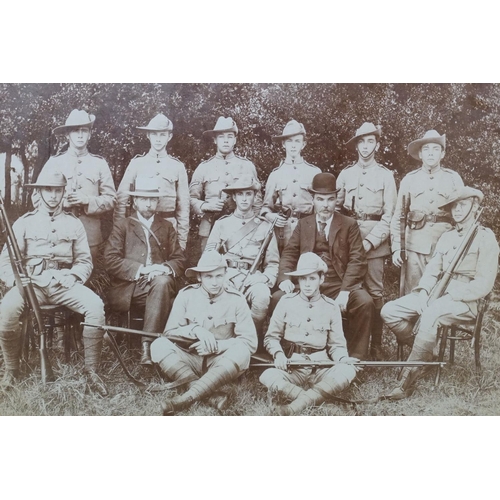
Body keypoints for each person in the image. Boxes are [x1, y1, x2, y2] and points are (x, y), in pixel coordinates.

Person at [381, 187, 499, 399]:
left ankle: (408, 377)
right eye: (454, 205)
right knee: (389, 310)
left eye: (463, 205)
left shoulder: (485, 237)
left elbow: (484, 283)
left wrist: (453, 295)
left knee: (431, 314)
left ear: (475, 207)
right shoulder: (447, 236)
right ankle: (428, 354)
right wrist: (424, 292)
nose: (458, 210)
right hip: (437, 293)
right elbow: (433, 270)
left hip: (465, 300)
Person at [0, 171, 108, 395]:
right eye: (47, 190)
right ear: (39, 192)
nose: (52, 195)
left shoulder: (74, 224)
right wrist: (16, 280)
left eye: (57, 190)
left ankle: (91, 372)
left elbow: (84, 260)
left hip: (63, 284)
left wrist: (74, 275)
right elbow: (5, 260)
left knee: (95, 306)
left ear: (63, 193)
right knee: (7, 308)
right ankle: (11, 371)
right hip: (32, 286)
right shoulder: (24, 223)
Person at [273, 172, 374, 360]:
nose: (325, 205)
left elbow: (357, 259)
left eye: (330, 199)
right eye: (320, 199)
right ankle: (285, 351)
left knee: (364, 302)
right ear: (313, 200)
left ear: (336, 200)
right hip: (307, 282)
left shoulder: (348, 224)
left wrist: (346, 290)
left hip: (338, 283)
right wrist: (285, 279)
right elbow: (289, 253)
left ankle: (355, 357)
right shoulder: (304, 224)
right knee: (278, 298)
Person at [150, 251, 257, 415]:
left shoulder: (236, 299)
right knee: (158, 345)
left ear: (225, 275)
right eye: (209, 277)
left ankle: (184, 399)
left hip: (220, 362)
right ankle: (208, 395)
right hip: (189, 358)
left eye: (219, 276)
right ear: (199, 277)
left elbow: (249, 342)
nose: (215, 282)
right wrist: (195, 330)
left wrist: (217, 347)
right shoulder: (186, 295)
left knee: (242, 352)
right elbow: (169, 333)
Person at [260, 253, 359, 415]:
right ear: (298, 280)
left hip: (321, 367)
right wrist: (278, 355)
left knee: (347, 370)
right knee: (267, 375)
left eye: (312, 278)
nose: (306, 284)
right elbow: (271, 337)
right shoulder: (286, 302)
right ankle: (319, 401)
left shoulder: (331, 306)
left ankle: (294, 406)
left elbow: (336, 346)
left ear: (321, 279)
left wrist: (343, 359)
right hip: (293, 367)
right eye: (303, 279)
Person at [103, 177, 185, 365]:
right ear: (135, 201)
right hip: (130, 287)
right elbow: (110, 260)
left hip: (160, 283)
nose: (148, 203)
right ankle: (155, 345)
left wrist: (163, 268)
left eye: (152, 199)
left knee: (162, 283)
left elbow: (179, 259)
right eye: (143, 199)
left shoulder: (166, 226)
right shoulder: (123, 225)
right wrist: (142, 269)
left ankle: (147, 345)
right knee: (164, 289)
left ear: (157, 202)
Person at [336, 122, 397, 360]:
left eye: (370, 141)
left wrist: (371, 242)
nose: (365, 146)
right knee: (347, 288)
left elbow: (389, 215)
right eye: (361, 141)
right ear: (356, 145)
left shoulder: (385, 175)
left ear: (377, 145)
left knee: (374, 291)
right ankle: (346, 343)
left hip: (374, 243)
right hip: (348, 241)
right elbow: (337, 208)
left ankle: (376, 345)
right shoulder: (345, 174)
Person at [35, 109, 116, 261]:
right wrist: (60, 203)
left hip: (89, 235)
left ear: (90, 135)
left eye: (84, 131)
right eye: (75, 131)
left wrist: (88, 200)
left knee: (85, 278)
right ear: (67, 135)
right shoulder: (55, 162)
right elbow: (36, 198)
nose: (80, 135)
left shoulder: (99, 163)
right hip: (57, 232)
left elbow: (111, 199)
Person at [205, 175, 279, 341]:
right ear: (234, 197)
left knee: (262, 296)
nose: (244, 199)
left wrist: (263, 278)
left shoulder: (265, 226)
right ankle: (221, 339)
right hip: (225, 276)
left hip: (253, 278)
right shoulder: (221, 224)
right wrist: (222, 276)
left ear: (254, 197)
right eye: (240, 195)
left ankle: (251, 339)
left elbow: (272, 263)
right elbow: (209, 258)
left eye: (248, 194)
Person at [391, 129, 464, 294]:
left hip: (445, 245)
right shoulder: (409, 179)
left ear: (442, 154)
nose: (431, 153)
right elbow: (398, 217)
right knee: (413, 294)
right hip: (414, 247)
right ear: (420, 154)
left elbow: (463, 215)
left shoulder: (453, 178)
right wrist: (396, 247)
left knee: (441, 293)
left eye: (435, 149)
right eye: (426, 149)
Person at [114, 113, 190, 250]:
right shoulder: (136, 164)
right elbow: (121, 200)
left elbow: (183, 207)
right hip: (139, 226)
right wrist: (120, 234)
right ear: (148, 135)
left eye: (162, 135)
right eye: (154, 134)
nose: (158, 139)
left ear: (169, 137)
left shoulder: (177, 167)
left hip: (169, 227)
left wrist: (182, 241)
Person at [189, 117, 262, 252]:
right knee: (209, 264)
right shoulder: (204, 168)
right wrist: (206, 206)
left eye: (230, 136)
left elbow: (257, 201)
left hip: (241, 227)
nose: (226, 140)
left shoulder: (246, 166)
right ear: (215, 140)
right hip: (210, 226)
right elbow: (190, 198)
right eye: (221, 137)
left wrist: (253, 226)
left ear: (235, 139)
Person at [261, 120, 321, 253]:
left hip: (308, 230)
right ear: (283, 144)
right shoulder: (275, 175)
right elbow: (265, 207)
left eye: (297, 141)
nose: (293, 146)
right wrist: (271, 217)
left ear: (303, 144)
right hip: (283, 232)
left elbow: (320, 207)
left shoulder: (314, 172)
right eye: (289, 141)